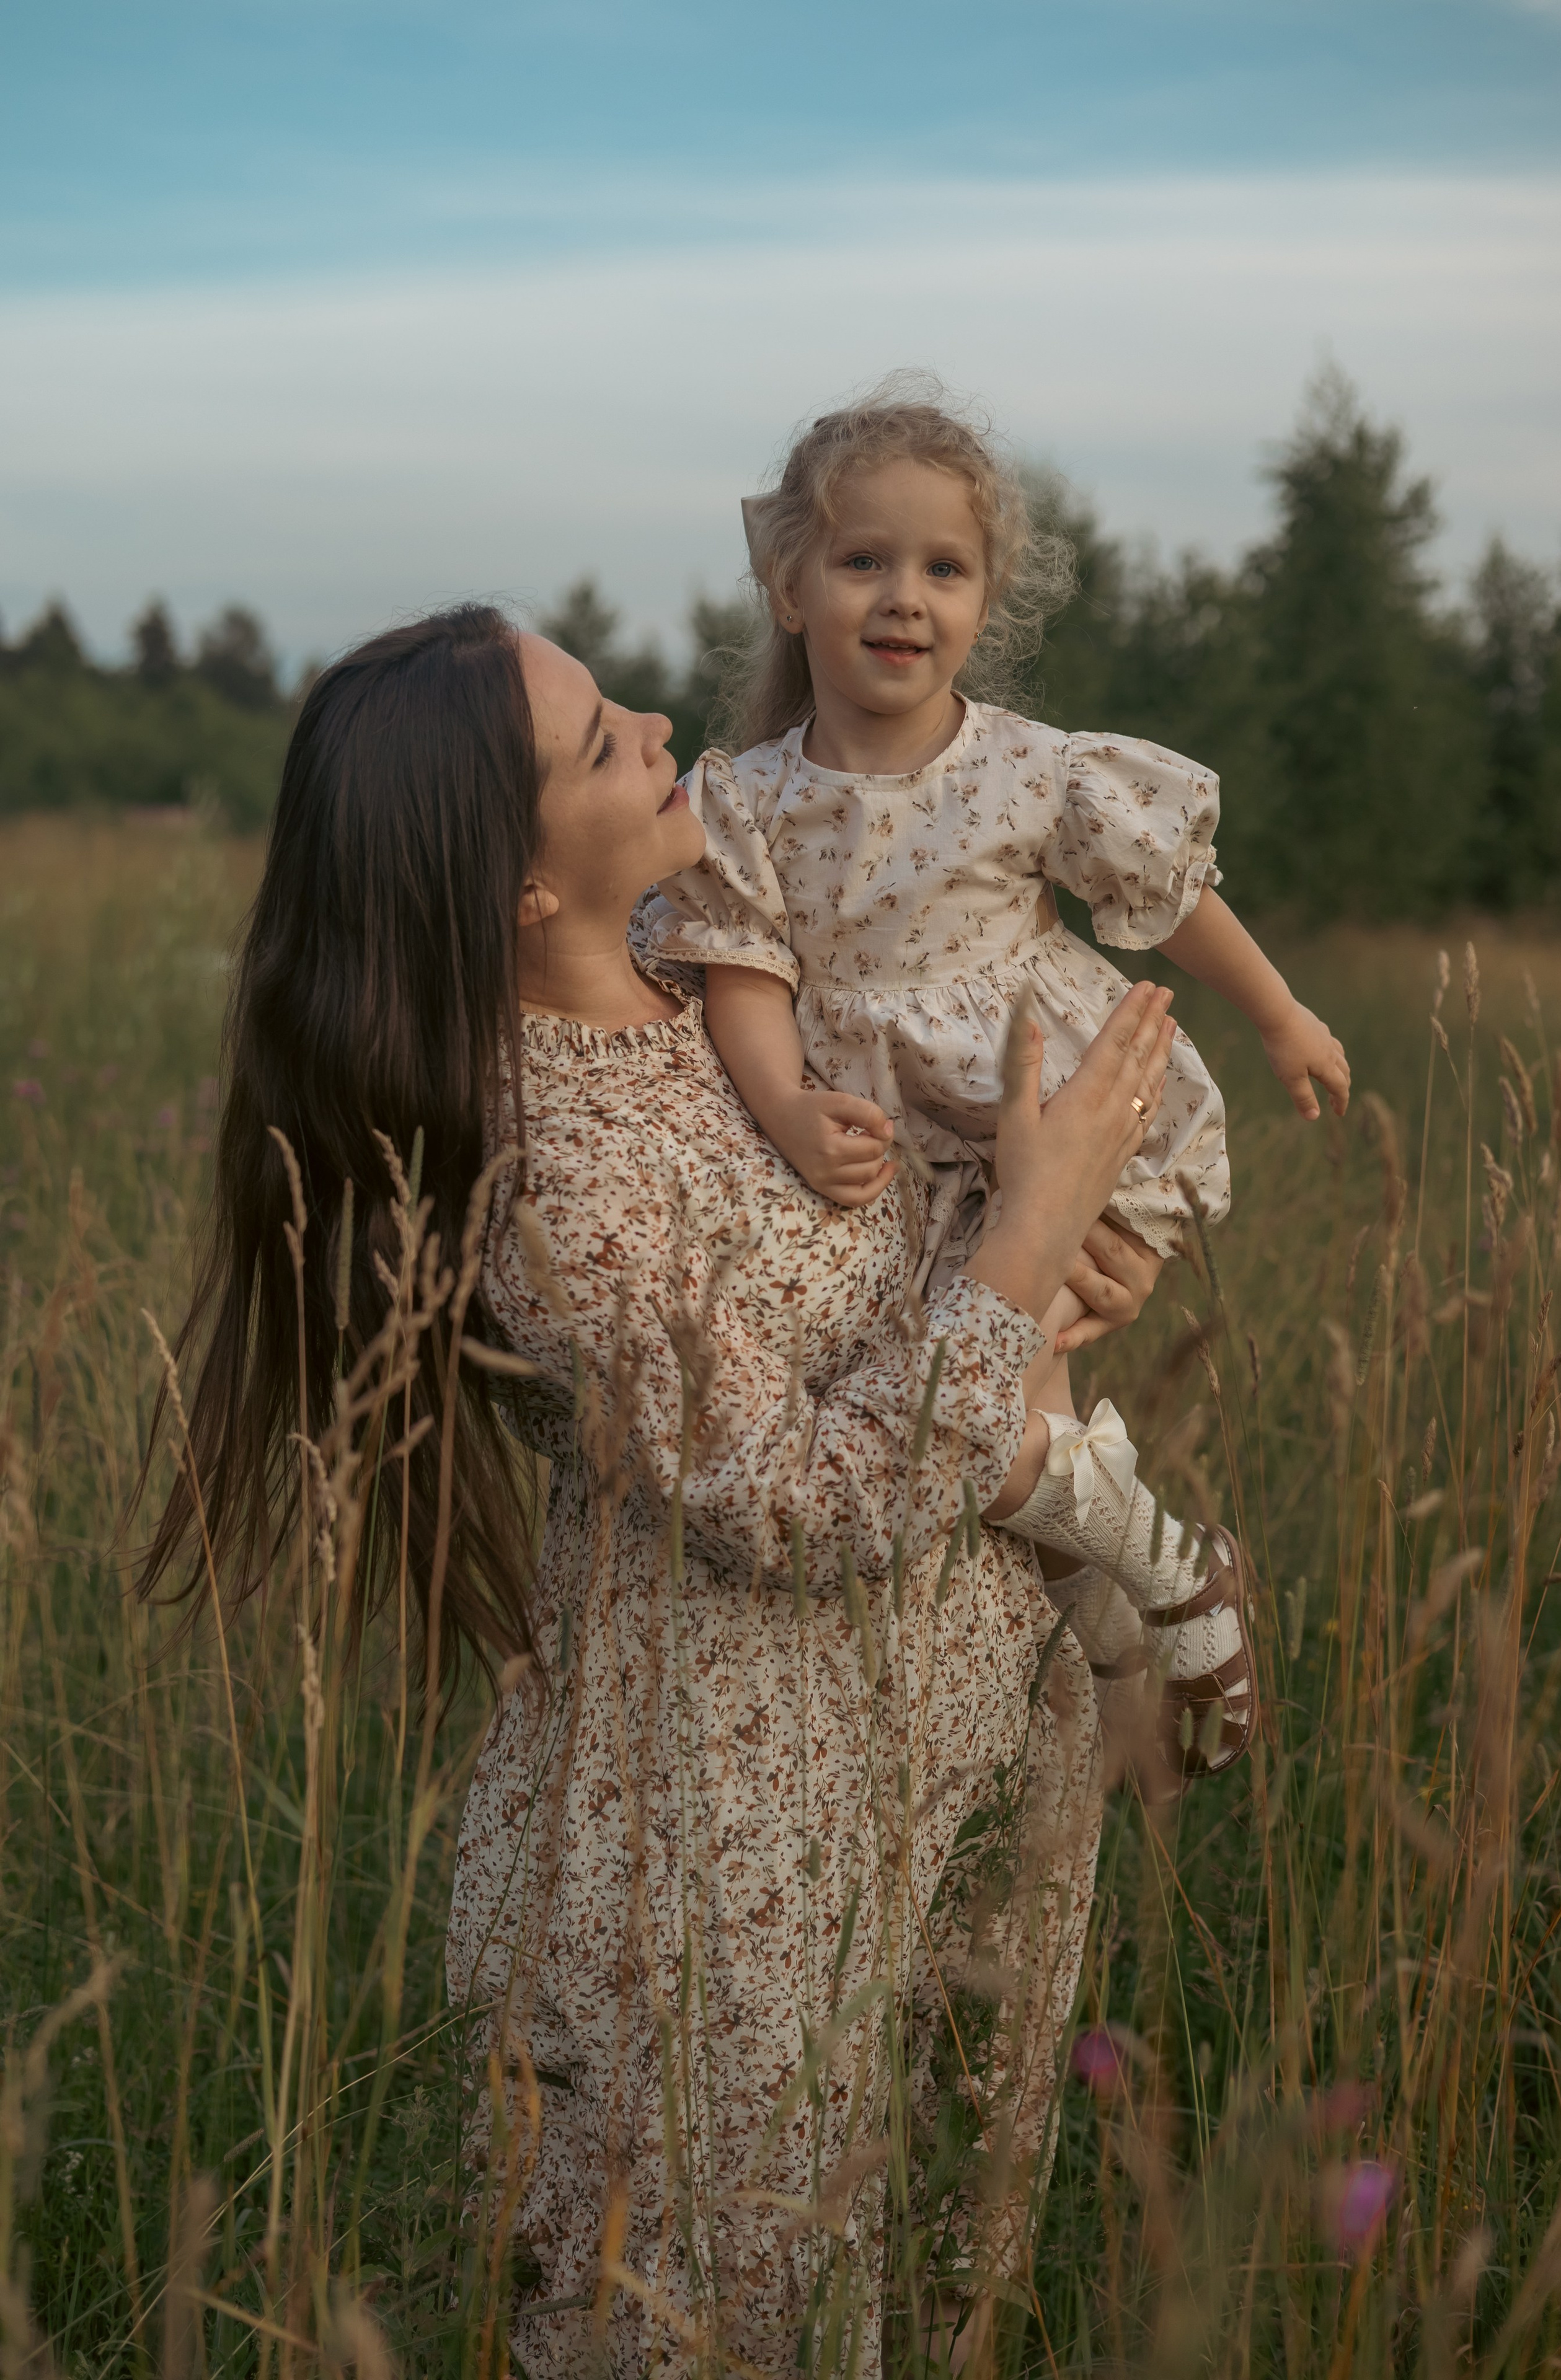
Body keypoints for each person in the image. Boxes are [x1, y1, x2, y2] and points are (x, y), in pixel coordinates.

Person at [136, 602, 1178, 2373]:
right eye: (594, 735)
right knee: (740, 2321)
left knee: (938, 2296)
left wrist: (1063, 1253)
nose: (653, 725)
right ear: (520, 886)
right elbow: (794, 1506)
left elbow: (915, 1271)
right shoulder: (552, 1179)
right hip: (729, 1859)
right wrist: (1024, 1235)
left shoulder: (718, 985)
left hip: (940, 1764)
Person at [648, 376, 1350, 1753]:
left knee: (993, 1420)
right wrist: (783, 1103)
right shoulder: (750, 797)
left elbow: (1172, 898)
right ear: (790, 589)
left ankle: (1171, 1597)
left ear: (985, 602)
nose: (903, 597)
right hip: (869, 1157)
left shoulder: (1034, 772)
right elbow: (744, 974)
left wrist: (1277, 1012)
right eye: (863, 560)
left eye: (942, 569)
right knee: (972, 1437)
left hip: (1025, 1128)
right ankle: (1132, 1645)